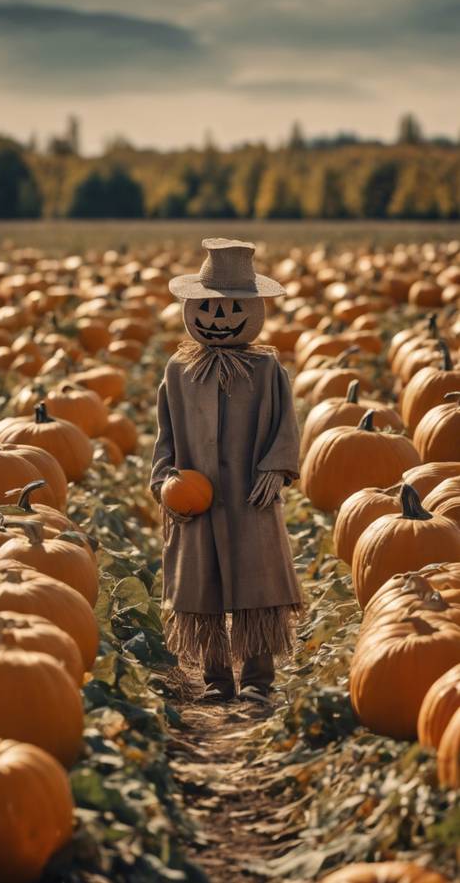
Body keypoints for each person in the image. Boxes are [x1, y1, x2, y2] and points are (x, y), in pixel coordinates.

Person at [151, 238, 303, 703]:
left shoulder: (265, 369)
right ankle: (216, 681)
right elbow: (166, 436)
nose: (218, 318)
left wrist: (276, 470)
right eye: (208, 308)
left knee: (257, 585)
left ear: (253, 310)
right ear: (190, 307)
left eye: (232, 308)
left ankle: (258, 679)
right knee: (203, 590)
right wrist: (164, 484)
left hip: (249, 496)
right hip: (196, 502)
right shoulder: (179, 370)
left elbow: (286, 427)